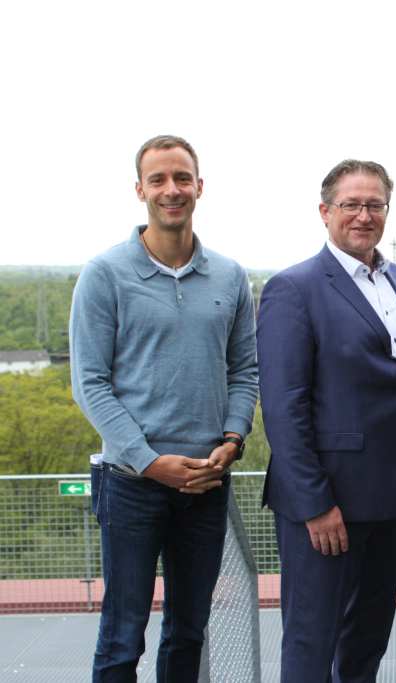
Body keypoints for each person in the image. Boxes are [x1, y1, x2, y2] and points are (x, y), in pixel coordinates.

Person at [70, 134, 258, 682]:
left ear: (199, 186)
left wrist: (233, 439)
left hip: (205, 483)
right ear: (140, 190)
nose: (171, 190)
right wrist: (150, 462)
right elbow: (89, 384)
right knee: (122, 633)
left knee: (189, 632)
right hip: (131, 483)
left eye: (181, 178)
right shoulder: (105, 273)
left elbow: (244, 371)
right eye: (158, 179)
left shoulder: (229, 276)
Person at [257, 160, 396, 682]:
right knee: (312, 640)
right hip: (326, 501)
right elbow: (283, 408)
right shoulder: (294, 288)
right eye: (351, 204)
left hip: (392, 496)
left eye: (374, 205)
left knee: (367, 639)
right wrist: (315, 503)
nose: (363, 215)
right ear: (325, 211)